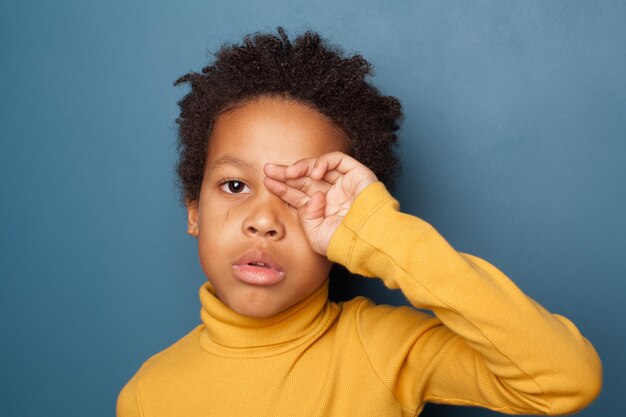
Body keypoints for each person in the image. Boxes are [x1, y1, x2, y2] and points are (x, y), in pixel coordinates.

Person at [116, 28, 602, 416]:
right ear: (193, 210)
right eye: (235, 186)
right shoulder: (147, 395)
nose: (263, 221)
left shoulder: (386, 350)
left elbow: (566, 380)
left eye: (298, 194)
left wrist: (378, 233)